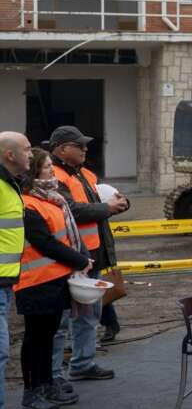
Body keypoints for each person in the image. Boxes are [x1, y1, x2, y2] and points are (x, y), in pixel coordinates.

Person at [48, 125, 126, 382]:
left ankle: (83, 363)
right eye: (79, 145)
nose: (85, 149)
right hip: (72, 257)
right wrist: (107, 208)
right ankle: (54, 375)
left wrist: (120, 203)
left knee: (88, 314)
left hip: (91, 255)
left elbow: (102, 201)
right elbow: (73, 210)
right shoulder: (55, 176)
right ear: (62, 149)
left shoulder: (83, 173)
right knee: (63, 321)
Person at [17, 148, 89, 409]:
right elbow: (44, 242)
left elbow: (63, 238)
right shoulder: (29, 204)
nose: (52, 171)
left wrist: (78, 258)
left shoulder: (52, 200)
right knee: (35, 339)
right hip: (35, 283)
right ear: (35, 171)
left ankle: (46, 384)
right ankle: (31, 392)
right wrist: (79, 260)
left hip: (55, 278)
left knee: (47, 337)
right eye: (47, 167)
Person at [0, 131, 33, 409]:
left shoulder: (10, 184)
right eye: (26, 149)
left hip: (5, 282)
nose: (31, 154)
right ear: (10, 155)